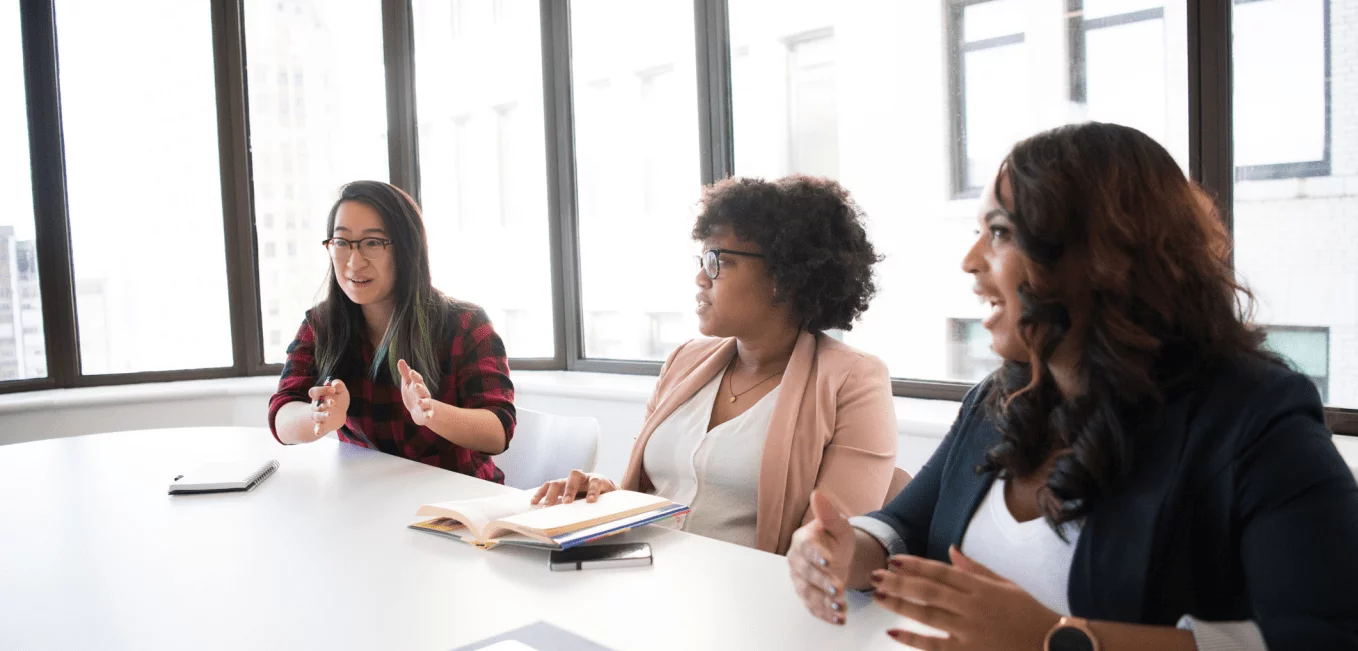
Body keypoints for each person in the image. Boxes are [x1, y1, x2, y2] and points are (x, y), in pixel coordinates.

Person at [788, 122, 1358, 649]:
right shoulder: (999, 399)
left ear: (1105, 256)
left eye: (1001, 232)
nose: (969, 260)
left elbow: (1324, 636)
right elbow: (906, 527)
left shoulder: (1256, 417)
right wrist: (843, 550)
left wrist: (1054, 640)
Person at [533, 175, 899, 555]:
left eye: (717, 261)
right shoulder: (683, 361)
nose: (699, 278)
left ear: (785, 278)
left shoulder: (853, 381)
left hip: (750, 601)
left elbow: (828, 550)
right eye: (701, 259)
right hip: (637, 577)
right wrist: (604, 496)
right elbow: (652, 492)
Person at [268, 180, 516, 483]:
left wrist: (431, 413)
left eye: (373, 243)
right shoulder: (322, 325)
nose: (354, 262)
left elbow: (498, 430)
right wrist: (318, 416)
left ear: (406, 249)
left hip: (455, 507)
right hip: (368, 501)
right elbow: (282, 415)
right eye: (342, 242)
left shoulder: (465, 324)